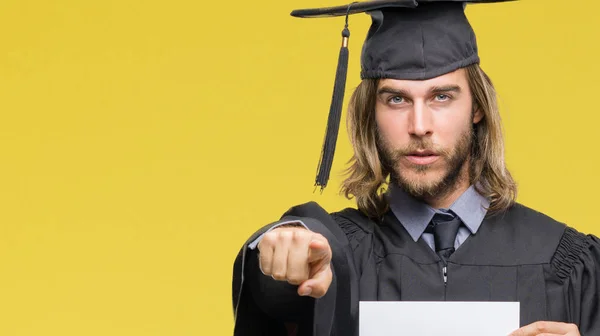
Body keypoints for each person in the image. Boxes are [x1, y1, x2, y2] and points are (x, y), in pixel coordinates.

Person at [231, 1, 600, 335]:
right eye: (396, 99)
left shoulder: (565, 262)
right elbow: (274, 297)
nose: (419, 125)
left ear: (477, 107)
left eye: (442, 96)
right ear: (370, 115)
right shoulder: (338, 255)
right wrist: (283, 251)